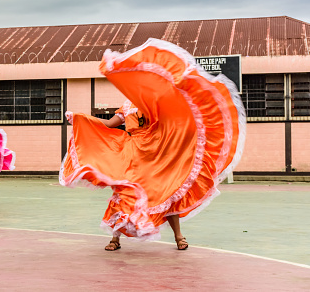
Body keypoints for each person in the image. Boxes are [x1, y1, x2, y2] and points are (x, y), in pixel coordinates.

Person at [60, 38, 246, 251]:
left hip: (155, 150)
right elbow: (111, 124)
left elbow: (169, 120)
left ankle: (179, 237)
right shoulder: (126, 105)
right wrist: (81, 118)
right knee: (124, 192)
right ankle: (115, 239)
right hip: (131, 152)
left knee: (167, 189)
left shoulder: (154, 103)